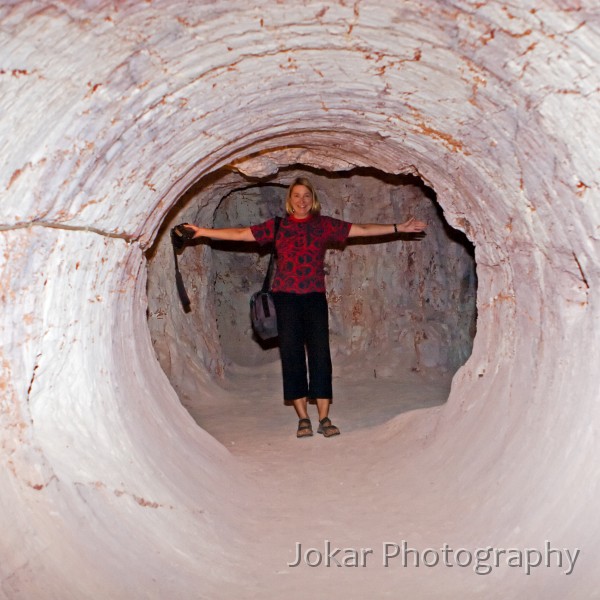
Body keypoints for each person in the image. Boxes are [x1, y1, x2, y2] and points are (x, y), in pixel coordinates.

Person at [182, 177, 427, 439]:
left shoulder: (323, 226)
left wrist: (398, 227)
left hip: (314, 299)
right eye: (297, 196)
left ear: (313, 200)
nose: (302, 201)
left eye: (306, 196)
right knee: (292, 356)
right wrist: (203, 232)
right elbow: (242, 233)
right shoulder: (278, 226)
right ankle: (303, 418)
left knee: (321, 356)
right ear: (290, 201)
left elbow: (362, 229)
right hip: (285, 299)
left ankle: (324, 417)